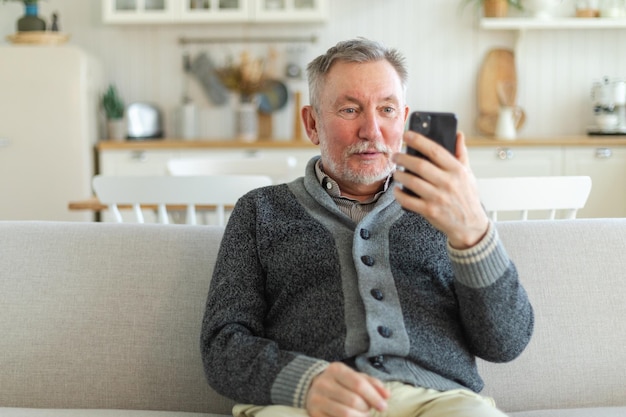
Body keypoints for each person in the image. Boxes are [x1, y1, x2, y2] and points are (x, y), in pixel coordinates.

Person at [200, 38, 534, 417]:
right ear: (312, 123)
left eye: (387, 109)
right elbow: (222, 345)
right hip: (307, 405)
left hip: (440, 401)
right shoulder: (260, 211)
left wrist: (473, 230)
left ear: (403, 119)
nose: (371, 130)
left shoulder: (454, 208)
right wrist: (304, 383)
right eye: (349, 109)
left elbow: (506, 343)